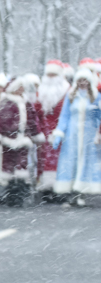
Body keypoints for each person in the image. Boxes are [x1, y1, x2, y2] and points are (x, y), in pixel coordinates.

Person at [0, 77, 46, 207]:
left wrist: (37, 135)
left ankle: (19, 196)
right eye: (20, 87)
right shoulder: (6, 102)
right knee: (8, 169)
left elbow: (32, 121)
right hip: (8, 140)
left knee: (21, 168)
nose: (22, 89)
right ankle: (11, 195)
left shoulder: (26, 103)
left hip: (23, 140)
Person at [52, 68, 101, 205]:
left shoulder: (96, 97)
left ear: (89, 81)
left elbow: (99, 116)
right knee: (71, 161)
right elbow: (64, 116)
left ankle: (81, 193)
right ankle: (70, 194)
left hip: (89, 135)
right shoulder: (71, 96)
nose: (83, 83)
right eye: (80, 80)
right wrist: (59, 133)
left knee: (85, 162)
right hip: (72, 134)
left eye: (85, 80)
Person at [37, 61, 72, 201]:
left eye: (54, 74)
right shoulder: (40, 90)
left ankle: (60, 189)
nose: (51, 77)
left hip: (61, 132)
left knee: (60, 160)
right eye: (48, 74)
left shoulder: (67, 90)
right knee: (44, 160)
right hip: (43, 132)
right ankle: (46, 189)